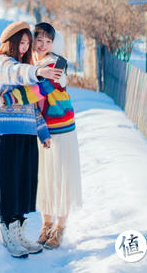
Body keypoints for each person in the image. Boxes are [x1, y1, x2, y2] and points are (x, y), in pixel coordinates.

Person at [0, 21, 63, 258]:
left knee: (24, 184)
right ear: (10, 43)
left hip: (26, 133)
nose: (24, 48)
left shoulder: (25, 69)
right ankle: (8, 232)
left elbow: (33, 106)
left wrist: (43, 132)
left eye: (27, 43)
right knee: (8, 184)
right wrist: (37, 71)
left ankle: (19, 231)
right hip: (5, 133)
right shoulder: (1, 64)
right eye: (21, 43)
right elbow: (17, 72)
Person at [31, 22, 83, 249]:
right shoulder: (32, 64)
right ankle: (46, 224)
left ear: (54, 43)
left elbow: (40, 89)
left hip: (61, 129)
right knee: (44, 177)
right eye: (38, 40)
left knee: (61, 178)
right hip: (42, 128)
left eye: (47, 41)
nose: (42, 45)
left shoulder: (57, 63)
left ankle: (60, 228)